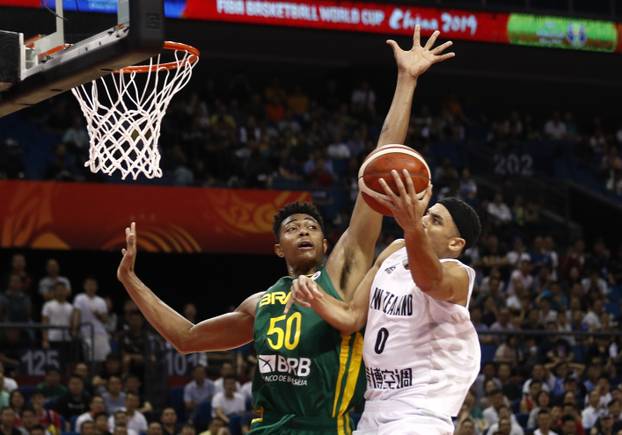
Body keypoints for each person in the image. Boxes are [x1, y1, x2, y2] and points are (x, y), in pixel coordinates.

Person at [116, 24, 455, 435]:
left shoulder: (342, 276)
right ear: (279, 248)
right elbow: (187, 338)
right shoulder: (260, 305)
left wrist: (406, 80)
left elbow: (380, 163)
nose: (304, 232)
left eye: (311, 226)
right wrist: (130, 280)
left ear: (327, 242)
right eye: (293, 229)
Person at [288, 174, 482, 434]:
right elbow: (351, 316)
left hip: (419, 411)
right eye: (427, 214)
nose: (423, 220)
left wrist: (412, 227)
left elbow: (429, 281)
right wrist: (314, 296)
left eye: (434, 221)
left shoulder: (459, 275)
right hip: (375, 406)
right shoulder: (394, 252)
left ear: (455, 244)